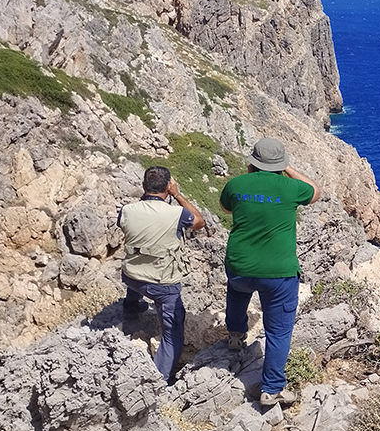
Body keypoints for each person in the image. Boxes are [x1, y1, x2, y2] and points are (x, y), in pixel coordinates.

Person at [219, 138, 321, 407]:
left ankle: (235, 337)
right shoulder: (290, 187)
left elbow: (225, 208)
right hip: (279, 272)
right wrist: (286, 170)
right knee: (278, 331)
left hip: (240, 265)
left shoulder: (236, 185)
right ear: (280, 165)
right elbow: (315, 191)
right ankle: (272, 389)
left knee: (238, 292)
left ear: (252, 162)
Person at [118, 166, 206, 383]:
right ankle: (158, 380)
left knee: (140, 265)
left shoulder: (127, 210)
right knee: (172, 333)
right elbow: (199, 222)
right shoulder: (177, 214)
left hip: (132, 276)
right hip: (162, 285)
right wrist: (176, 194)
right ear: (169, 186)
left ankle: (131, 306)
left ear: (143, 186)